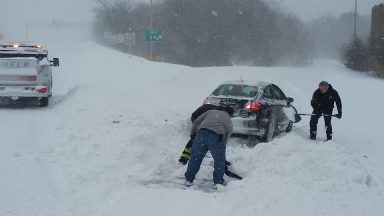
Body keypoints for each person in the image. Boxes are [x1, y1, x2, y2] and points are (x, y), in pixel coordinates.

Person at [185, 107, 234, 187]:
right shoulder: (229, 122)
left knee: (195, 158)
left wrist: (193, 134)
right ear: (231, 115)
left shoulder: (211, 111)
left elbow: (196, 122)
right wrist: (221, 152)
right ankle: (218, 182)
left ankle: (189, 180)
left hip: (201, 134)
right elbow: (226, 139)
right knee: (219, 161)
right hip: (217, 137)